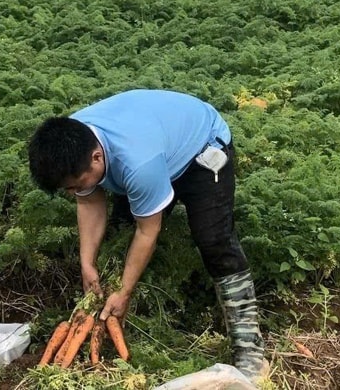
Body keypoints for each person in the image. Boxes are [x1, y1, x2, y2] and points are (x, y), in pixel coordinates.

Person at [27, 89, 267, 379]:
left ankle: (249, 348)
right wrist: (87, 262)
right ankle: (113, 327)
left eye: (76, 184)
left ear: (96, 157)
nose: (74, 192)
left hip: (202, 148)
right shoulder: (71, 142)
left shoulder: (138, 164)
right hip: (155, 139)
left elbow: (148, 231)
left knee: (213, 239)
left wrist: (125, 291)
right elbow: (89, 200)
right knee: (121, 233)